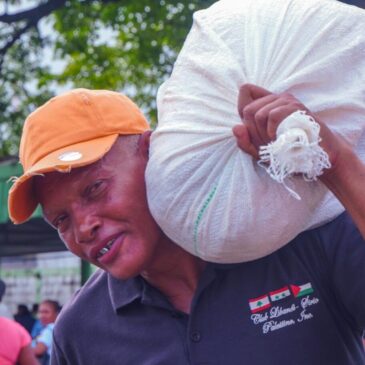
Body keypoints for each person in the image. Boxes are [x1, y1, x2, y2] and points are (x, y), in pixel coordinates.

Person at [7, 87, 365, 364]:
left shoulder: (290, 235)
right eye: (61, 220)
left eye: (95, 189)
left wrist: (335, 165)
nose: (83, 228)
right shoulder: (80, 330)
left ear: (152, 153)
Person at [32, 300, 60, 365]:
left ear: (56, 313)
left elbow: (39, 350)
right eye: (40, 312)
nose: (42, 315)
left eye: (46, 312)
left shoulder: (50, 329)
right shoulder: (56, 328)